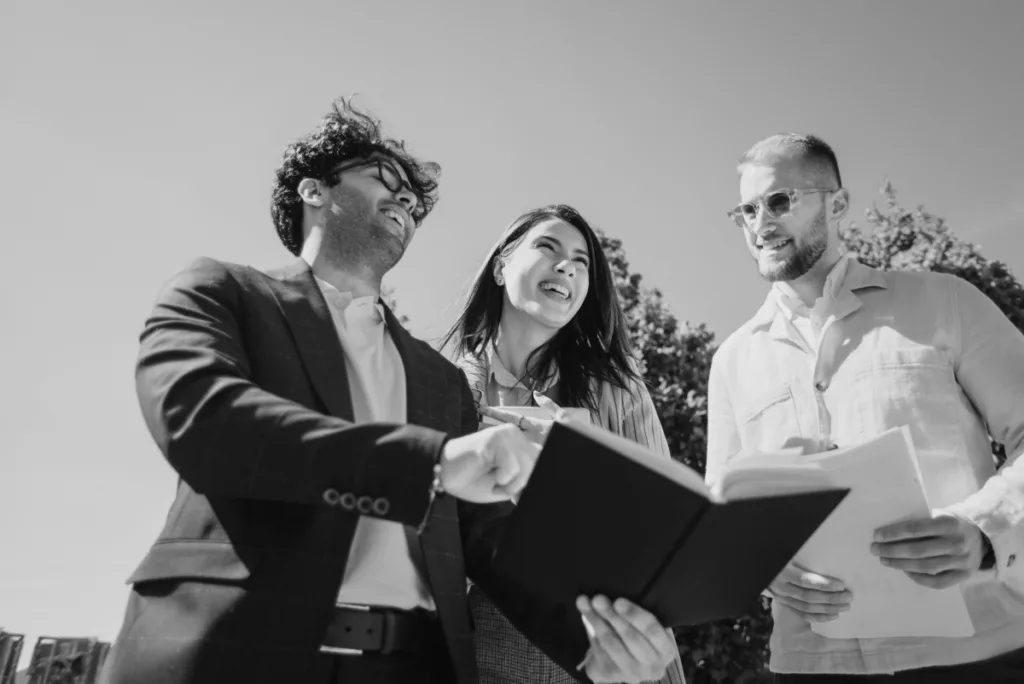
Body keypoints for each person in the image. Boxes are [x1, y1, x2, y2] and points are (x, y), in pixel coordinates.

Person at [97, 98, 679, 684]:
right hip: (230, 652)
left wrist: (592, 644)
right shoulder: (221, 291)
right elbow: (202, 419)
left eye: (413, 200)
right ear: (313, 189)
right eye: (383, 179)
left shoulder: (440, 381)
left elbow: (488, 542)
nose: (404, 200)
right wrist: (431, 463)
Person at [705, 132, 1024, 682]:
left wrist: (985, 530)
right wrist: (763, 567)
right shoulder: (731, 361)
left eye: (779, 201)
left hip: (979, 650)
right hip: (810, 664)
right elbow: (724, 510)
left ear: (838, 204)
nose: (761, 224)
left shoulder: (947, 301)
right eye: (747, 211)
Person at [443, 204, 687, 684]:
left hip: (602, 655)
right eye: (547, 247)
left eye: (581, 262)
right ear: (501, 266)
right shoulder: (440, 384)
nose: (567, 267)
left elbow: (664, 526)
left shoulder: (618, 390)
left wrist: (578, 473)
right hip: (473, 653)